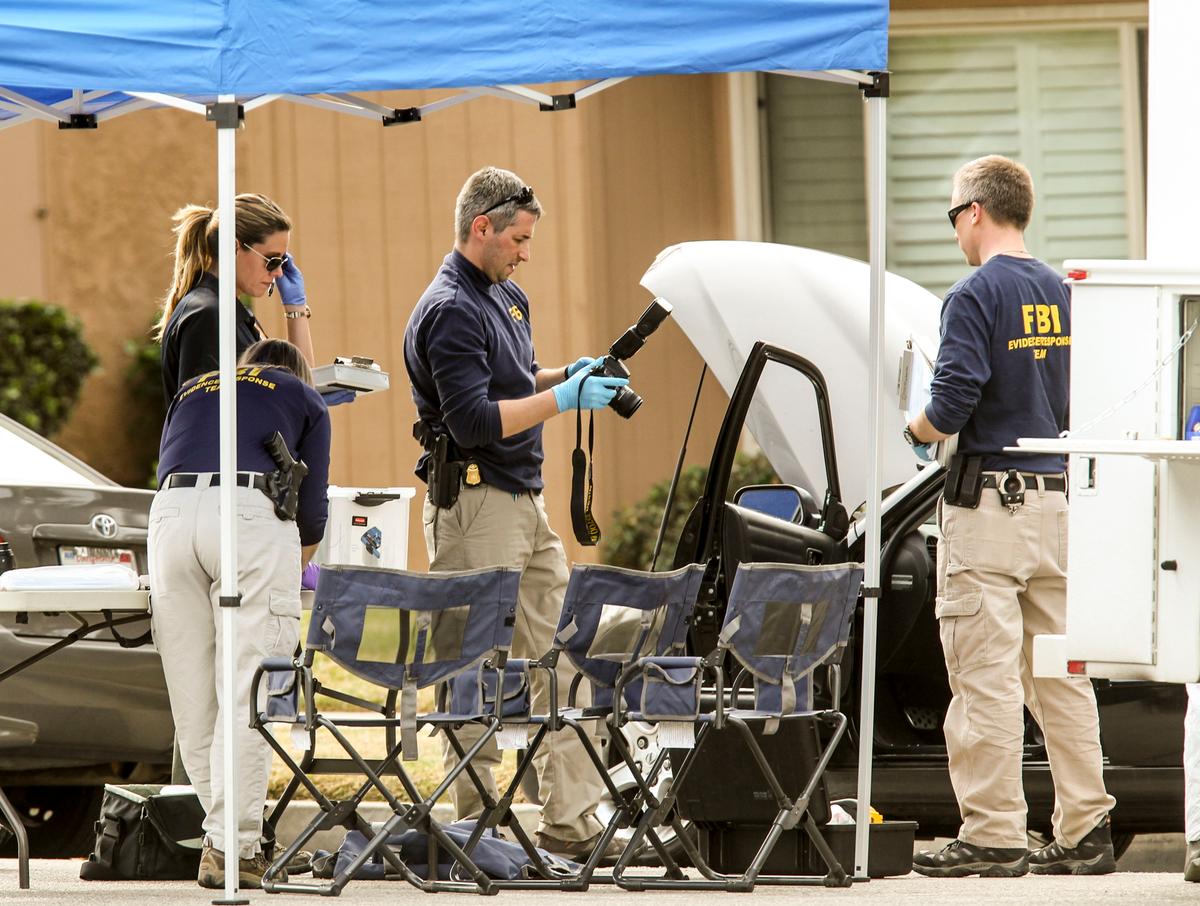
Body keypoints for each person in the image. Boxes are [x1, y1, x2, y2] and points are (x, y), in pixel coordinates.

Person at [402, 166, 627, 860]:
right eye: (518, 240)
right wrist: (563, 404)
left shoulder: (508, 298)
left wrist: (566, 376)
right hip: (473, 502)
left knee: (563, 656)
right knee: (477, 666)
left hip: (525, 503)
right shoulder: (447, 309)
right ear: (482, 229)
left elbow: (509, 382)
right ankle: (477, 830)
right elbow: (471, 417)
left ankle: (570, 822)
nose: (525, 252)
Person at [906, 155, 1116, 878]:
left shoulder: (973, 294)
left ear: (974, 211)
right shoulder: (1062, 291)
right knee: (1061, 676)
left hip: (991, 506)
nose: (956, 231)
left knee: (985, 676)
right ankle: (1086, 827)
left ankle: (995, 832)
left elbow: (953, 399)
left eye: (953, 217)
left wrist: (917, 428)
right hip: (1058, 498)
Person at [148, 338, 330, 889]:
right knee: (248, 690)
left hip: (170, 515)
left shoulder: (193, 388)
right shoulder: (303, 395)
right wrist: (293, 571)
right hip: (247, 511)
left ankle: (222, 838)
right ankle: (237, 847)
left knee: (194, 695)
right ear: (296, 373)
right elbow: (313, 509)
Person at [156, 193, 316, 403]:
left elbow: (302, 390)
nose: (278, 273)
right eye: (272, 260)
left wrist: (295, 309)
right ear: (233, 247)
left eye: (282, 261)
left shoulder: (228, 312)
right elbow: (204, 417)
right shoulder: (209, 315)